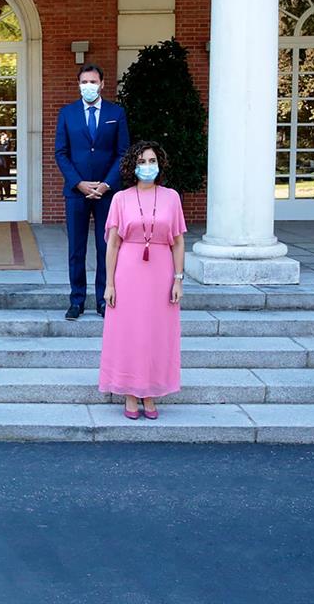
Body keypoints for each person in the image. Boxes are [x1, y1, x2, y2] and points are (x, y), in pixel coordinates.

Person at [99, 142, 186, 420]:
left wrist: (178, 279)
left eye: (152, 161)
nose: (147, 166)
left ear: (159, 164)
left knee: (155, 333)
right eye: (142, 161)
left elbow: (178, 242)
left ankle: (150, 393)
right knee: (130, 332)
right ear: (132, 167)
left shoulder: (171, 197)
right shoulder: (121, 199)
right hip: (128, 271)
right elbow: (112, 245)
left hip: (161, 272)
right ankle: (129, 393)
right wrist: (109, 284)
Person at [54, 63, 130, 320]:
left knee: (105, 246)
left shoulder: (115, 113)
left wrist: (106, 183)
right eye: (84, 82)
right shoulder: (67, 113)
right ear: (79, 85)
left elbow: (123, 153)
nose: (88, 86)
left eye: (93, 81)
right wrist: (79, 183)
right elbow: (61, 153)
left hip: (107, 193)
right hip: (76, 192)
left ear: (102, 83)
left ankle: (102, 298)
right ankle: (76, 300)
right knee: (76, 248)